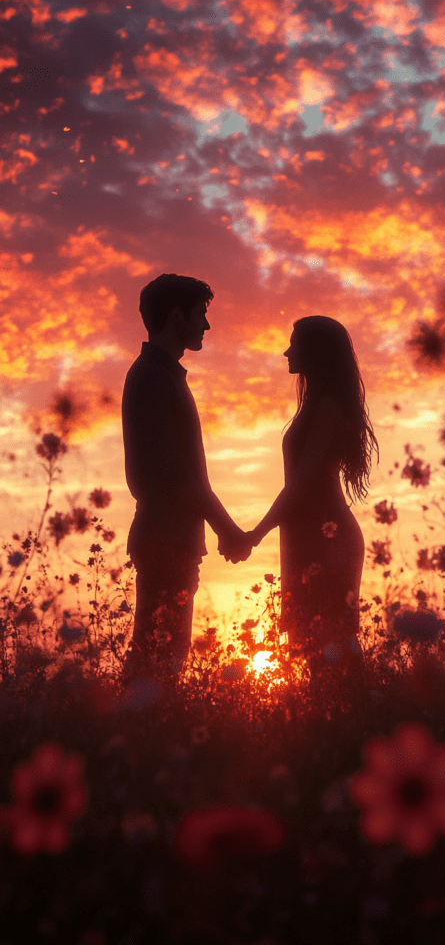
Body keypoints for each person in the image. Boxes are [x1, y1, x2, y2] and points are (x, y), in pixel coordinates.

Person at [221, 316, 379, 678]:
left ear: (315, 352)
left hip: (328, 537)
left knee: (332, 648)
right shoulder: (314, 405)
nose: (286, 350)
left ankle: (360, 723)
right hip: (307, 537)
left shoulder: (326, 409)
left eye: (294, 343)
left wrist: (253, 536)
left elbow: (301, 486)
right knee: (315, 651)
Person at [122, 273, 251, 681]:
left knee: (162, 656)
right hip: (165, 535)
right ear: (177, 316)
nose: (206, 326)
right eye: (201, 314)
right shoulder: (154, 378)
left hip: (171, 535)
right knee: (157, 661)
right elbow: (179, 476)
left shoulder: (160, 375)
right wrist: (229, 529)